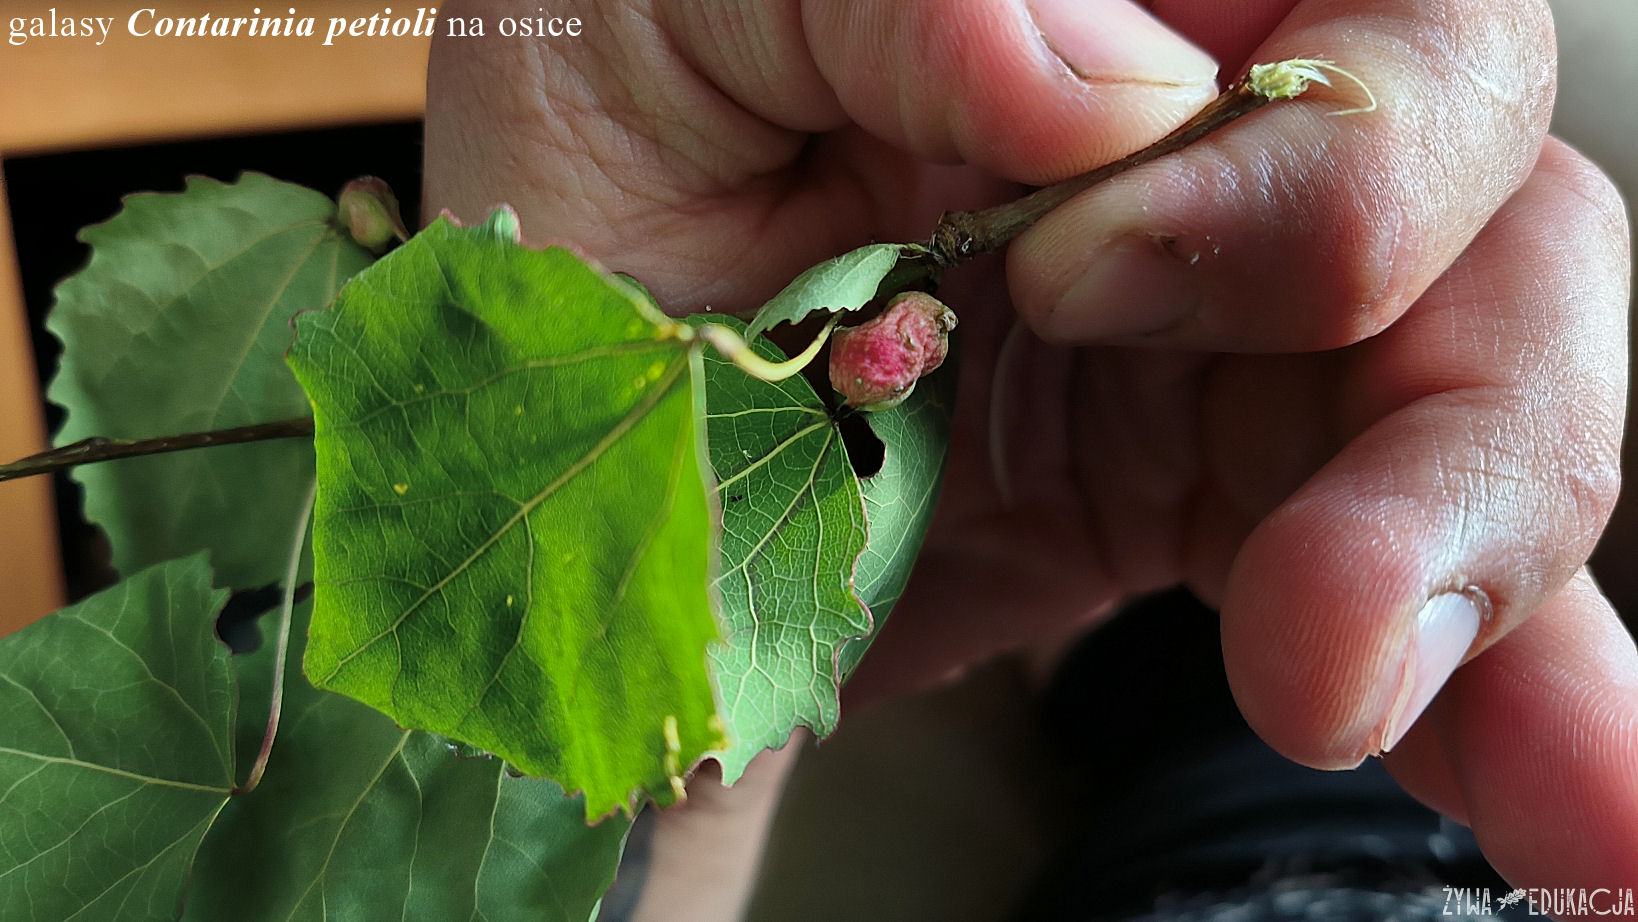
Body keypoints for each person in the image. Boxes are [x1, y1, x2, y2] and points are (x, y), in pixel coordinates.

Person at [421, 0, 1637, 916]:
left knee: (1204, 684)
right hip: (1311, 724)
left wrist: (668, 718)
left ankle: (1111, 620)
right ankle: (1122, 590)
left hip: (1221, 773)